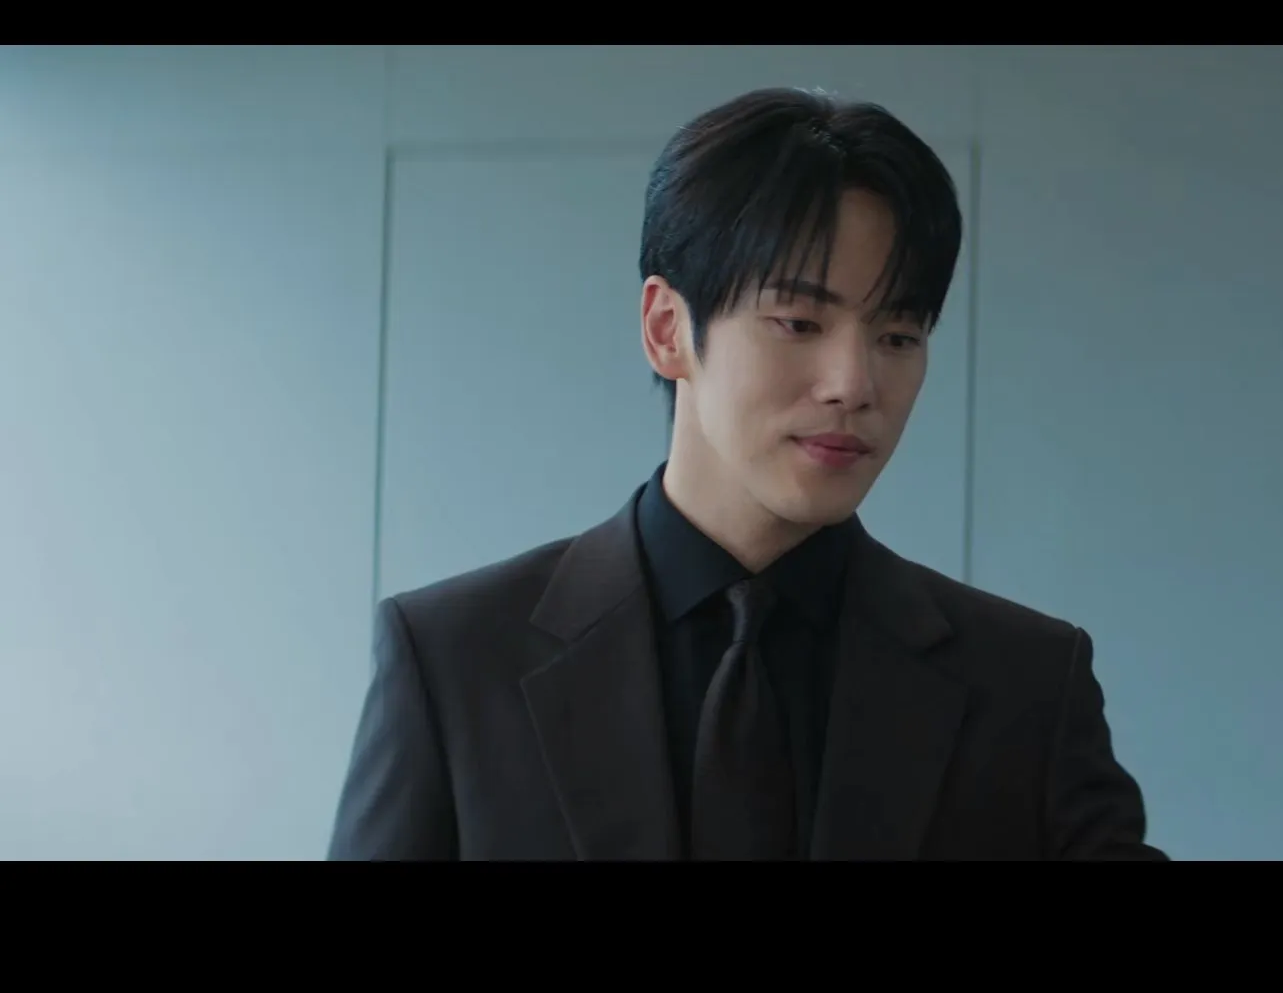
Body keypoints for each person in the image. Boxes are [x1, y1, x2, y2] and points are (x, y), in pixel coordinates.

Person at [326, 87, 1166, 861]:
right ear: (667, 329)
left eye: (897, 336)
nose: (855, 384)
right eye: (799, 322)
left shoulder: (1026, 685)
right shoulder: (455, 661)